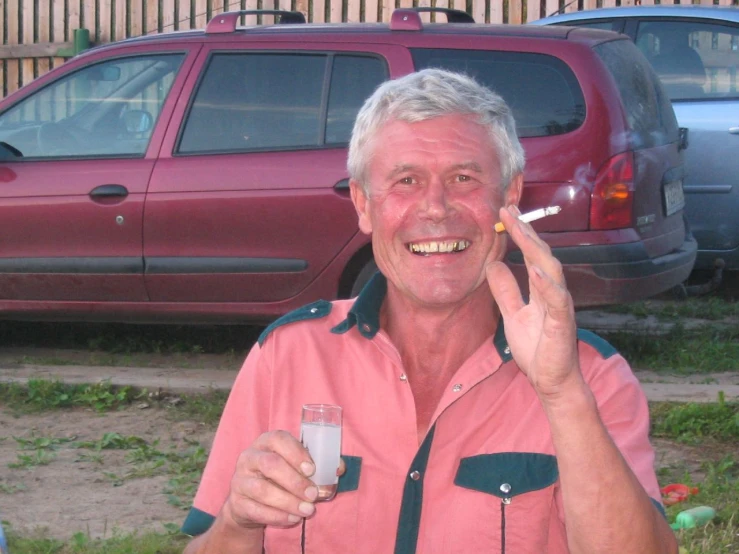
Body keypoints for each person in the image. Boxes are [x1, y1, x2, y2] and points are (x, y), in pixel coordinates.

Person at [181, 68, 679, 554]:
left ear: (509, 197)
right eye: (406, 180)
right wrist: (238, 521)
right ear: (362, 203)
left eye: (464, 178)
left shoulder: (591, 376)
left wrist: (563, 394)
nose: (436, 208)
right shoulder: (285, 355)